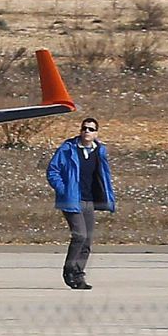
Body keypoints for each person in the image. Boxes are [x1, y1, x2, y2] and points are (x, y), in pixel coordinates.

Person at [47, 116, 116, 290]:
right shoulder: (68, 149)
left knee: (87, 240)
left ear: (96, 133)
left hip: (89, 200)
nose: (87, 131)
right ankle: (69, 269)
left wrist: (107, 195)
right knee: (80, 235)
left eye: (91, 129)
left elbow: (104, 175)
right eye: (85, 128)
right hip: (72, 200)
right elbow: (53, 170)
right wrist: (63, 190)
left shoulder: (99, 151)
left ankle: (78, 276)